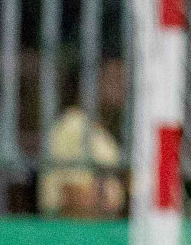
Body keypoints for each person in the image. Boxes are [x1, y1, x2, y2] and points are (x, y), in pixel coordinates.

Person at [38, 58, 126, 219]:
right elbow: (74, 196)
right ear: (92, 82)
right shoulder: (73, 125)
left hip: (95, 232)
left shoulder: (100, 131)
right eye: (114, 79)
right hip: (75, 235)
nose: (122, 87)